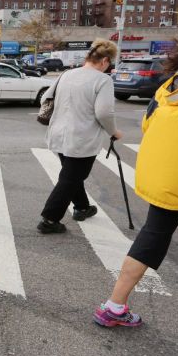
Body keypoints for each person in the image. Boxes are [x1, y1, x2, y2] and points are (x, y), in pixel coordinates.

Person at [93, 21, 178, 328]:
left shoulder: (177, 81)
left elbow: (148, 123)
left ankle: (114, 305)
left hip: (161, 171)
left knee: (154, 234)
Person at [36, 39, 121, 234]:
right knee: (70, 177)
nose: (108, 68)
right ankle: (49, 219)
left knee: (72, 175)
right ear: (105, 60)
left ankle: (82, 207)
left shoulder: (67, 74)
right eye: (109, 64)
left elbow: (44, 98)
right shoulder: (103, 80)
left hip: (58, 134)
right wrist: (113, 132)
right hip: (82, 138)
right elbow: (104, 113)